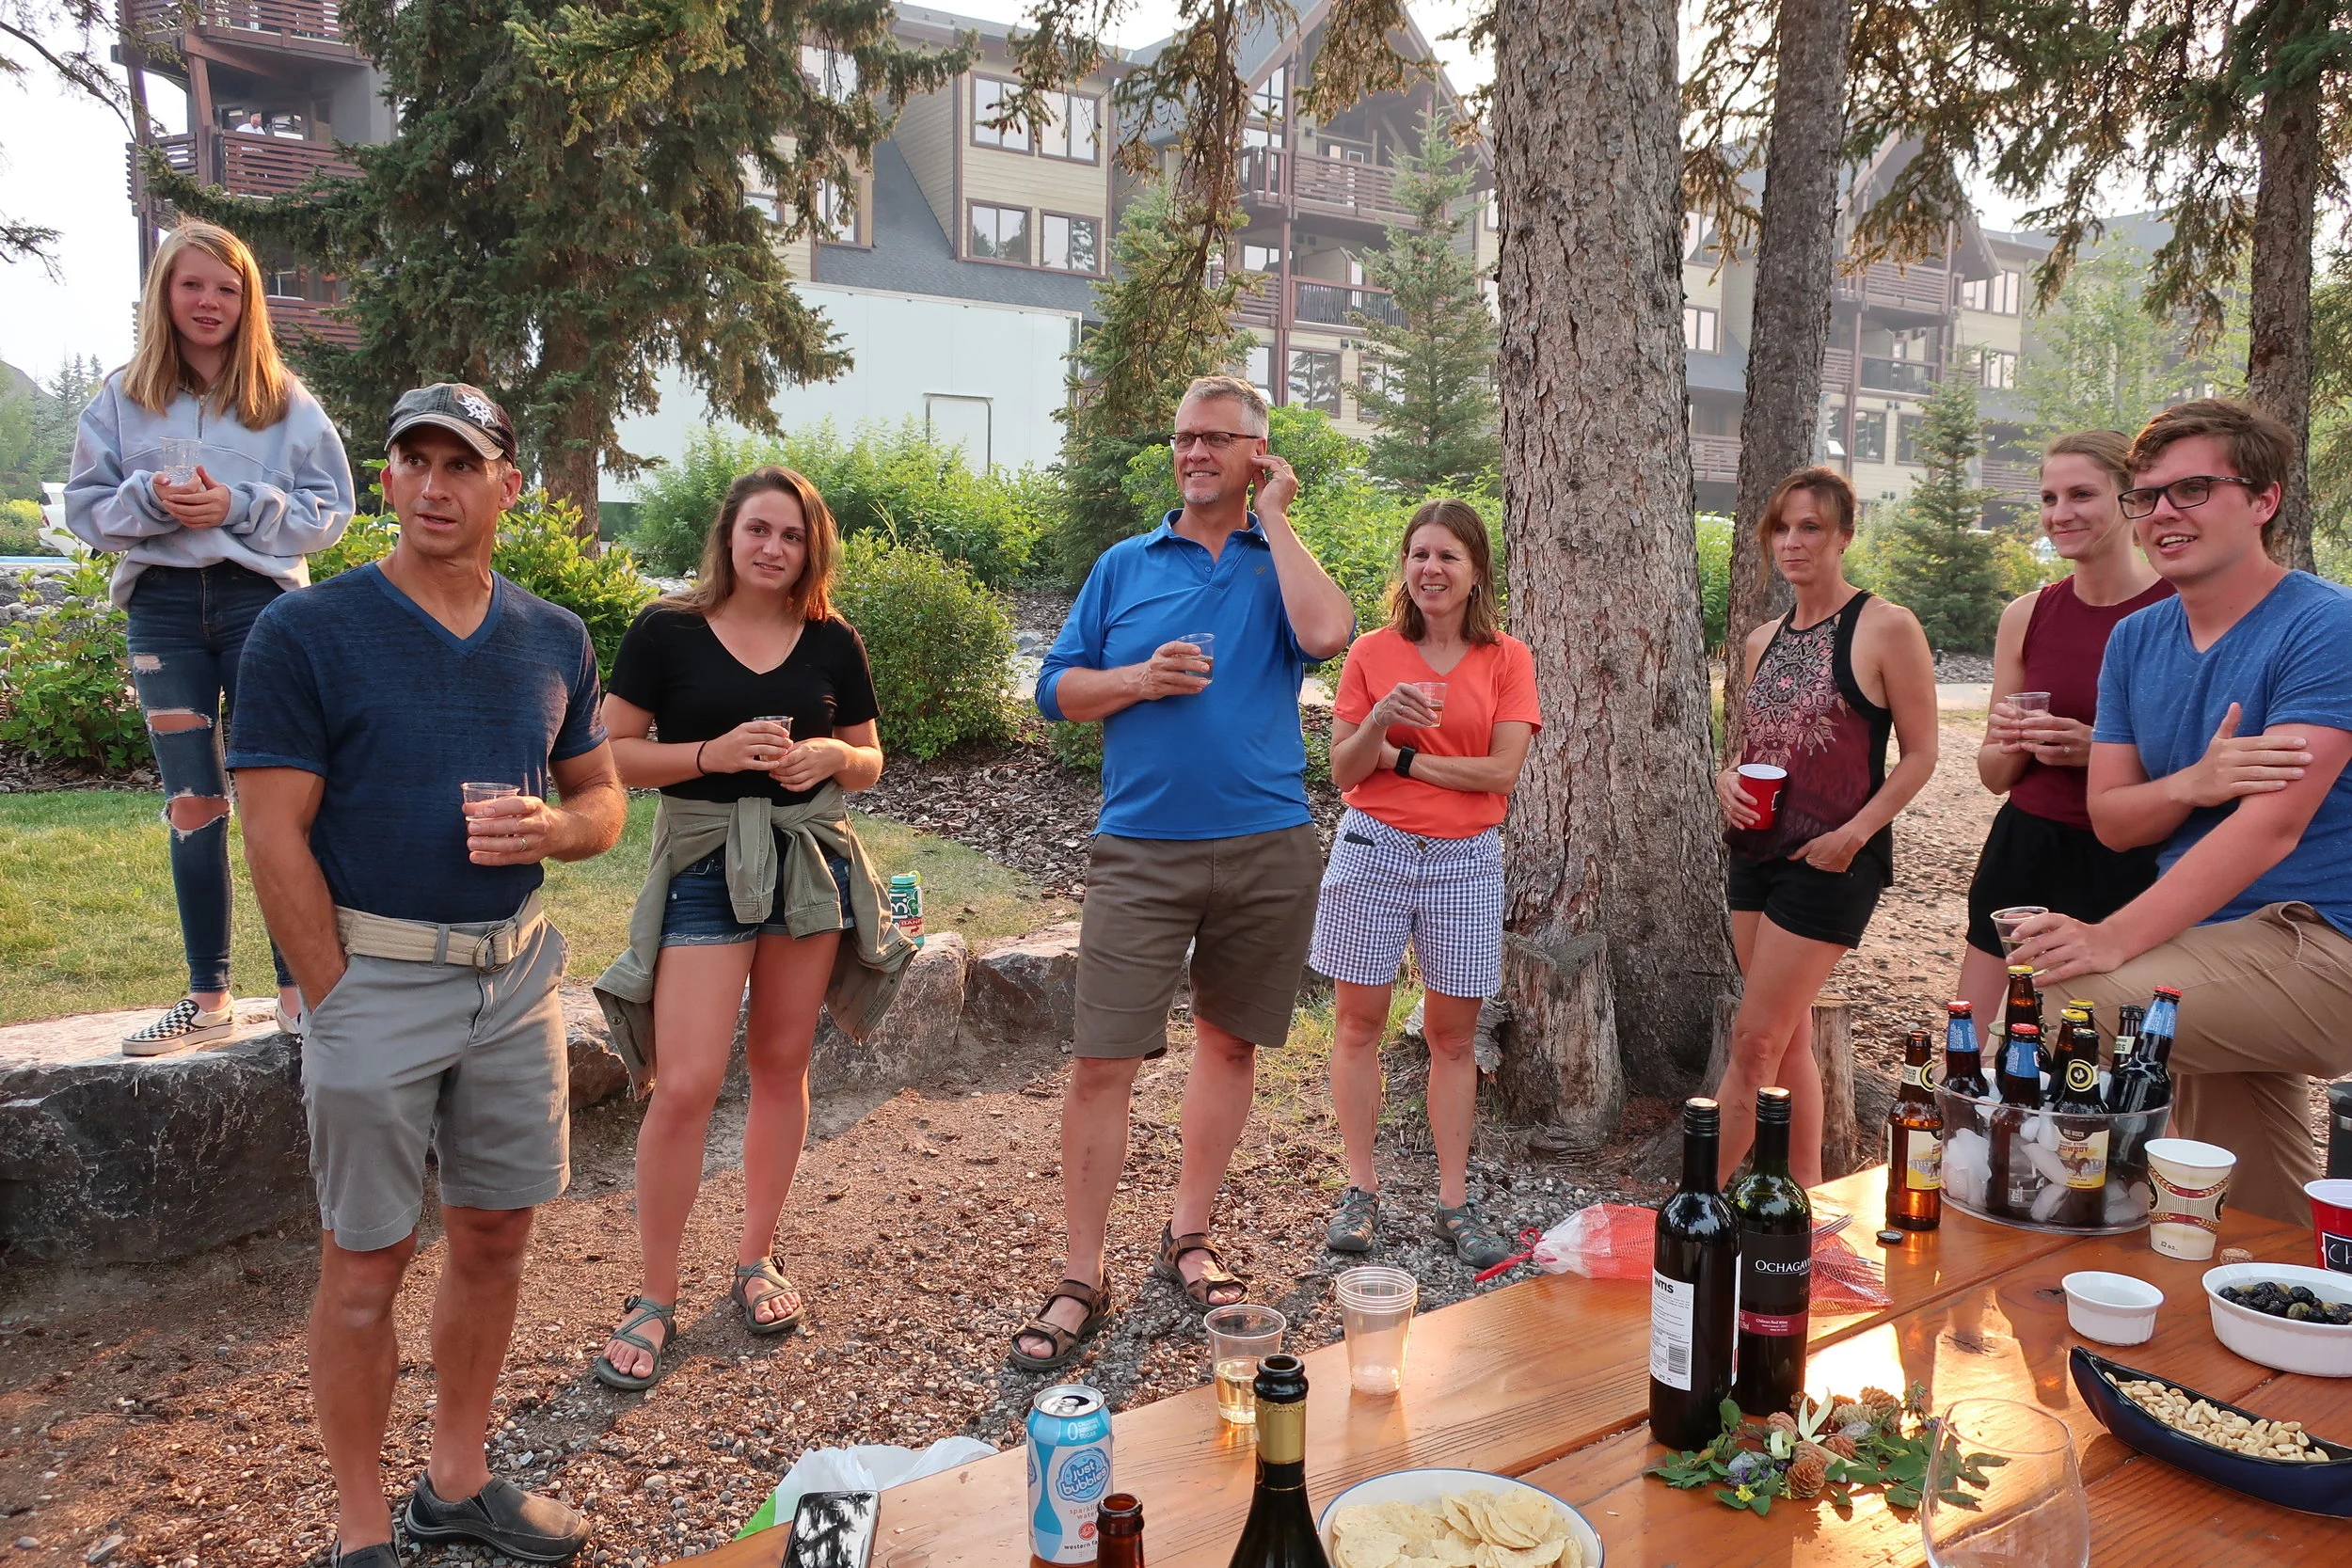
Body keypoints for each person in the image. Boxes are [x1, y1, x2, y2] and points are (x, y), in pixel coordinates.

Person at [230, 384, 626, 1567]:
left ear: (511, 483)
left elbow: (602, 798)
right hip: (377, 979)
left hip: (514, 980)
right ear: (387, 478)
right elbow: (270, 830)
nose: (439, 485)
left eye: (465, 462)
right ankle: (361, 1531)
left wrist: (556, 832)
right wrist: (334, 988)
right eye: (417, 461)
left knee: (497, 1234)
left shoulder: (552, 635)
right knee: (364, 1264)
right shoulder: (306, 632)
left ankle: (456, 1482)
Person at [1012, 373, 1355, 1370]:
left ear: (1258, 453)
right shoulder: (1124, 565)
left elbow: (1330, 633)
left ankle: (1189, 1234)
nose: (1194, 453)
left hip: (1266, 842)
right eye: (1182, 438)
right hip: (1141, 849)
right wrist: (1136, 680)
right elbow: (1055, 690)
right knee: (1100, 1061)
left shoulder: (1276, 562)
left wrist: (1279, 519)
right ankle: (1081, 1271)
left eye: (1216, 439)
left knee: (1230, 1045)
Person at [588, 467, 914, 1391]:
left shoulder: (831, 638)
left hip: (806, 868)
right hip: (702, 864)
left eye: (793, 535)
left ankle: (755, 1257)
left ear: (812, 547)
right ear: (727, 533)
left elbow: (870, 758)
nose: (773, 547)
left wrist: (833, 753)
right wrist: (711, 755)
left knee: (781, 1066)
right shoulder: (666, 629)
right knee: (685, 1081)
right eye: (758, 529)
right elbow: (608, 751)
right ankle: (653, 1296)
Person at [2013, 398, 2352, 1226]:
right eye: (2148, 494)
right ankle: (2300, 1316)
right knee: (2245, 1203)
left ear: (2264, 499)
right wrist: (2195, 782)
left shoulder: (2326, 625)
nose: (2163, 512)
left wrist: (2111, 937)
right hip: (2213, 944)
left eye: (2193, 489)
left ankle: (2037, 1230)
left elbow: (2271, 824)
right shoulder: (2137, 639)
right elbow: (2117, 819)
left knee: (2063, 1002)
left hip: (2320, 940)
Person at [65, 218, 355, 1054]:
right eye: (192, 284)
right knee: (194, 806)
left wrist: (239, 507)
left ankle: (301, 996)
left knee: (280, 807)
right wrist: (150, 500)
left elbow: (330, 511)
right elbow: (86, 510)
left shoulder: (285, 402)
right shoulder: (121, 396)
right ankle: (209, 997)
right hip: (160, 609)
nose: (209, 302)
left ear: (248, 301)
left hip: (263, 609)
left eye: (227, 289)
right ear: (164, 291)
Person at [1311, 499, 1539, 1267]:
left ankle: (1452, 1200)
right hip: (1373, 846)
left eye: (1448, 556)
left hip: (1465, 859)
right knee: (1357, 1026)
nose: (1431, 569)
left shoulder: (1507, 657)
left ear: (1475, 572)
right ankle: (1361, 1188)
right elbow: (1343, 771)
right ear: (1403, 568)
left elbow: (1500, 772)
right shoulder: (1373, 651)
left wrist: (1402, 758)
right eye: (1419, 555)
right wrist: (1377, 718)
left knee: (1452, 1037)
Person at [1715, 467, 1938, 1187]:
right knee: (1786, 1041)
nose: (1793, 541)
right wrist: (1726, 780)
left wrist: (1856, 833)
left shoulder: (1887, 626)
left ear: (1845, 534)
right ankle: (1806, 1195)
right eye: (1781, 526)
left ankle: (1687, 1212)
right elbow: (1759, 746)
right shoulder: (1760, 640)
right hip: (1756, 852)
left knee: (1753, 1042)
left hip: (1833, 861)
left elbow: (1923, 753)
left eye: (1811, 526)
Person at [1955, 432, 2173, 1023]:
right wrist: (2013, 738)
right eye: (2048, 498)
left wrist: (2098, 751)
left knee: (2099, 1054)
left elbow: (2207, 767)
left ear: (2132, 501)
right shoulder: (2028, 614)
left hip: (2132, 856)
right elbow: (1993, 777)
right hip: (2025, 845)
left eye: (2081, 494)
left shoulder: (2178, 608)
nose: (2060, 513)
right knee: (1968, 1040)